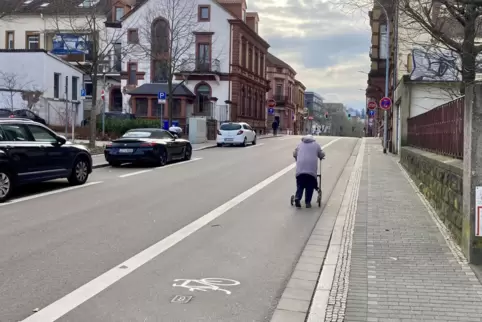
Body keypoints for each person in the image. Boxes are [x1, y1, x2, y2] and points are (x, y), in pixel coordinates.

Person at [293, 135, 325, 208]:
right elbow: (321, 154)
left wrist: (297, 158)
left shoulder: (300, 144)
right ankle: (308, 202)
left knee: (300, 185)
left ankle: (297, 197)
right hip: (311, 170)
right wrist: (322, 156)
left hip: (300, 170)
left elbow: (294, 154)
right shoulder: (316, 145)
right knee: (310, 186)